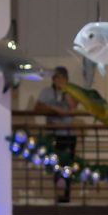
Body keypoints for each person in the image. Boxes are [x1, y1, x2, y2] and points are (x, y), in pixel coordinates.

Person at [32, 66, 83, 203]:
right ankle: (58, 195)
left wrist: (65, 90)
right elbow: (37, 108)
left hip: (68, 134)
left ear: (66, 79)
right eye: (56, 78)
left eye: (61, 78)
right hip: (53, 135)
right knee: (55, 165)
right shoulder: (46, 92)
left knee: (68, 165)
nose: (58, 80)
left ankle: (66, 196)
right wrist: (53, 109)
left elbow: (73, 107)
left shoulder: (71, 91)